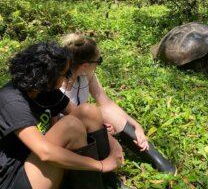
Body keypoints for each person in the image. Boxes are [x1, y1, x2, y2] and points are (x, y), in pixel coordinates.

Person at [0, 41, 124, 189]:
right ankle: (95, 181)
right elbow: (44, 152)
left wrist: (111, 142)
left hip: (35, 159)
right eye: (65, 74)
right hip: (15, 176)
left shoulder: (43, 89)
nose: (68, 78)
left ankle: (106, 180)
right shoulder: (11, 101)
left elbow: (81, 114)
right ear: (47, 76)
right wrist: (99, 165)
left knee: (87, 111)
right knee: (71, 126)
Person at [60, 33, 176, 174]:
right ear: (85, 65)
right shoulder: (58, 83)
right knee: (92, 120)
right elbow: (60, 122)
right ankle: (105, 172)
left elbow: (105, 102)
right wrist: (100, 129)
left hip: (86, 121)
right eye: (99, 61)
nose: (99, 64)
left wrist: (136, 125)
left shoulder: (86, 74)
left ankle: (153, 156)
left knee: (107, 112)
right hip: (68, 132)